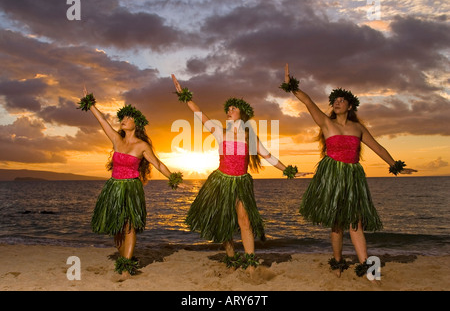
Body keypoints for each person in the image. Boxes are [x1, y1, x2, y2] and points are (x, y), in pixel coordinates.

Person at [281, 64, 417, 278]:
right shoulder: (326, 123)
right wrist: (292, 87)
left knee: (356, 223)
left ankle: (370, 272)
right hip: (331, 176)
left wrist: (396, 165)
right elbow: (307, 101)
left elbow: (378, 147)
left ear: (350, 105)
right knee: (336, 225)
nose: (337, 103)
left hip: (353, 177)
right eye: (334, 101)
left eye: (341, 100)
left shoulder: (358, 128)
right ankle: (337, 263)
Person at [171, 74, 310, 270]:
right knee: (223, 221)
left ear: (242, 114)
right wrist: (184, 95)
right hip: (221, 181)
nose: (228, 111)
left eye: (233, 109)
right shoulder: (220, 132)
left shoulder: (248, 136)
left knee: (244, 220)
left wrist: (289, 171)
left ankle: (251, 264)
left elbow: (268, 156)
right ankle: (230, 255)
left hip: (241, 182)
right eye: (228, 109)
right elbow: (200, 113)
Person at [77, 88, 185, 277]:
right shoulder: (117, 139)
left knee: (129, 226)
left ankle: (125, 269)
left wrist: (174, 180)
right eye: (123, 118)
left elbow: (158, 164)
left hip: (131, 188)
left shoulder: (142, 146)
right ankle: (126, 261)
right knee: (116, 230)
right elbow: (102, 120)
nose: (123, 120)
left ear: (137, 123)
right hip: (114, 188)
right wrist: (90, 103)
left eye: (128, 118)